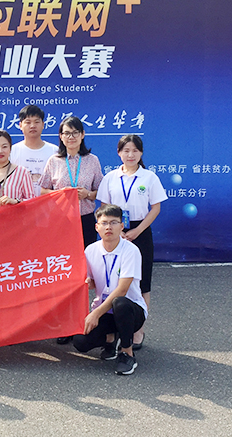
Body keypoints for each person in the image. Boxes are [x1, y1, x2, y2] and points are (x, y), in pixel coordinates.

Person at [96, 134, 167, 350]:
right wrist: (114, 230)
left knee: (142, 280)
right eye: (126, 150)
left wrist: (137, 230)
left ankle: (138, 330)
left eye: (135, 150)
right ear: (119, 153)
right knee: (113, 278)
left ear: (141, 153)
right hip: (114, 230)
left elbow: (155, 207)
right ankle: (114, 328)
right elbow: (104, 207)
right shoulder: (110, 177)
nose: (130, 155)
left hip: (140, 231)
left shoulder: (149, 177)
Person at [69, 203, 147, 375]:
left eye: (113, 222)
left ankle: (127, 353)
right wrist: (87, 283)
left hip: (130, 310)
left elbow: (122, 290)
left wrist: (95, 314)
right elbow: (90, 282)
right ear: (97, 227)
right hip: (105, 310)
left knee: (120, 303)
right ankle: (110, 340)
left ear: (122, 226)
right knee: (80, 342)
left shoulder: (131, 251)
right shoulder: (91, 250)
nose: (108, 227)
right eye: (104, 223)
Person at [39, 116, 104, 247]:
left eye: (75, 133)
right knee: (62, 255)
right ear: (61, 136)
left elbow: (101, 192)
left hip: (85, 219)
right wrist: (59, 194)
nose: (71, 137)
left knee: (86, 255)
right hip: (60, 219)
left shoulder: (92, 160)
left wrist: (87, 194)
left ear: (82, 134)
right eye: (67, 133)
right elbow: (42, 191)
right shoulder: (54, 161)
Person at [10, 104, 57, 197]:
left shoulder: (54, 151)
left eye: (36, 122)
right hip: (19, 204)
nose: (32, 126)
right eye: (28, 122)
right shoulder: (12, 151)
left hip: (48, 204)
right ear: (20, 125)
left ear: (43, 125)